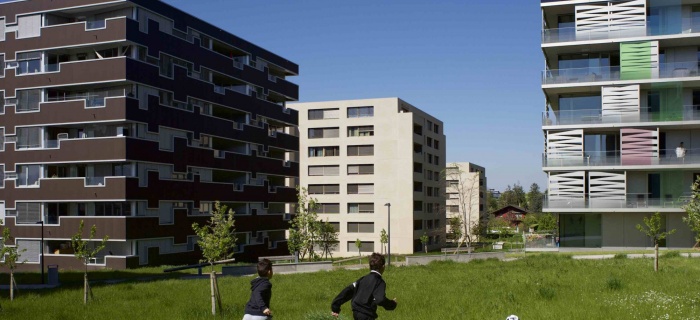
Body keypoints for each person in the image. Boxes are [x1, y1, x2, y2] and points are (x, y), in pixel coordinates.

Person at [331, 253, 397, 320]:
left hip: (356, 313)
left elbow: (348, 290)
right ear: (383, 267)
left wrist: (335, 306)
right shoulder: (379, 281)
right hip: (367, 315)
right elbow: (380, 299)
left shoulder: (362, 279)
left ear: (370, 266)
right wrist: (392, 304)